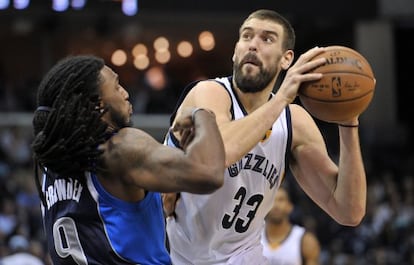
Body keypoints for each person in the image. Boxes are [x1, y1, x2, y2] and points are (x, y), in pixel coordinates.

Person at [163, 9, 367, 264]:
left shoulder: (294, 121)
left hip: (244, 256)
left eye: (267, 39)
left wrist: (348, 121)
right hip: (178, 255)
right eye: (246, 37)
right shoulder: (210, 92)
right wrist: (282, 97)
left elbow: (349, 212)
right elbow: (220, 152)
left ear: (286, 59)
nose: (253, 45)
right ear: (235, 51)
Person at [31, 55, 225, 265]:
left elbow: (109, 223)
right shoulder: (120, 148)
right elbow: (210, 173)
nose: (125, 93)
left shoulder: (53, 164)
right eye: (116, 86)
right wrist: (203, 113)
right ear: (97, 105)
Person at [261, 186, 321, 265]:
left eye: (281, 200)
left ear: (290, 206)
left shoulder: (306, 240)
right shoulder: (253, 237)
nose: (276, 205)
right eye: (272, 200)